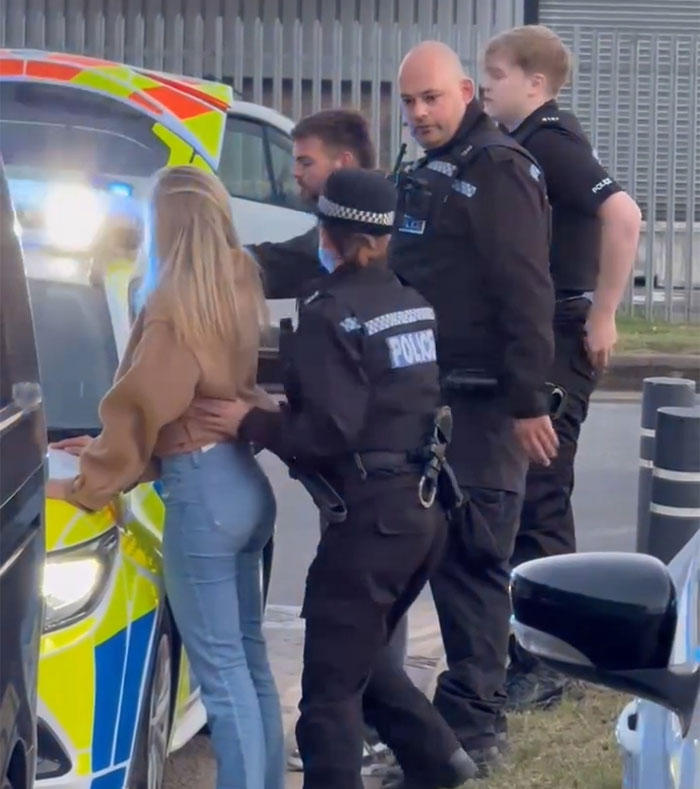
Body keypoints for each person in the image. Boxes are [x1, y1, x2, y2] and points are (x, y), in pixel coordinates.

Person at [195, 168, 477, 789]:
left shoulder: (331, 313)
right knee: (366, 663)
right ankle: (445, 766)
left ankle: (432, 768)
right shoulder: (410, 303)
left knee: (327, 700)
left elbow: (328, 432)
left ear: (329, 231)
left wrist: (253, 421)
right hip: (422, 516)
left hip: (370, 526)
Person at [46, 165, 285, 789]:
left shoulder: (174, 305)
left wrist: (88, 478)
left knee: (221, 672)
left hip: (201, 495)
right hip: (242, 484)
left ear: (165, 225)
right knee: (248, 663)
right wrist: (107, 447)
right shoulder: (236, 285)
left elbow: (143, 405)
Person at [385, 40, 556, 778]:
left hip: (487, 410)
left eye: (432, 99)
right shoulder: (431, 171)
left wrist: (526, 401)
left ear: (465, 93)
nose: (419, 114)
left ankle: (474, 734)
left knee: (476, 564)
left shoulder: (500, 171)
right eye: (409, 103)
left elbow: (526, 291)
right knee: (432, 559)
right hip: (433, 399)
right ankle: (437, 739)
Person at [244, 107, 411, 773]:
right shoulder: (351, 237)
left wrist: (262, 421)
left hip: (373, 478)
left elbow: (332, 425)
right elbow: (280, 263)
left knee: (357, 632)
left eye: (305, 162)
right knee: (363, 629)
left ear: (340, 167)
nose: (296, 176)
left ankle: (361, 734)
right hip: (381, 478)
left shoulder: (360, 254)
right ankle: (432, 751)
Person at [481, 24, 642, 711]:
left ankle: (552, 662)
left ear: (534, 84)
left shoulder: (552, 140)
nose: (484, 85)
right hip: (542, 330)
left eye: (494, 74)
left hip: (562, 330)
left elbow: (625, 214)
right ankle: (542, 653)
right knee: (530, 495)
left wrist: (604, 312)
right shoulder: (527, 141)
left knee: (541, 497)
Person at [249, 108, 377, 299]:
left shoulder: (353, 229)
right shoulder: (372, 213)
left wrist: (216, 258)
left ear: (344, 163)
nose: (296, 172)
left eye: (306, 163)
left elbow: (291, 260)